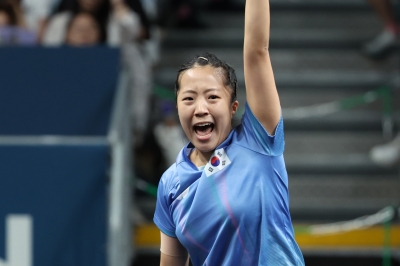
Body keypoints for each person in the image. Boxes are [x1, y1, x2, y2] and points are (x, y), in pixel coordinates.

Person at [153, 0, 305, 265]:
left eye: (212, 97)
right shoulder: (171, 183)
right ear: (178, 108)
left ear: (233, 107)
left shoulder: (258, 143)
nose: (200, 108)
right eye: (189, 99)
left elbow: (257, 52)